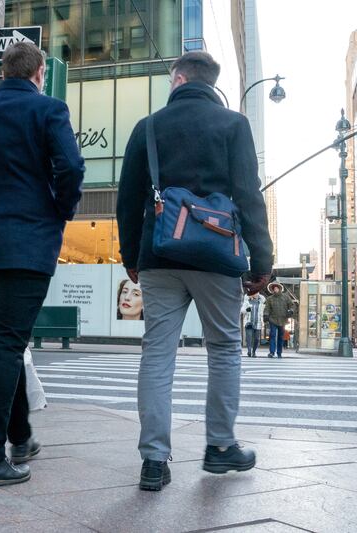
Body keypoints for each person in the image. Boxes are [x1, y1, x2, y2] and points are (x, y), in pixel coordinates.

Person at [116, 51, 273, 491]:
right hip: (218, 257)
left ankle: (153, 461)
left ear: (179, 79)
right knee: (223, 347)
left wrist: (132, 255)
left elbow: (128, 198)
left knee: (158, 352)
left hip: (160, 254)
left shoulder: (147, 127)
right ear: (211, 83)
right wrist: (261, 260)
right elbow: (248, 193)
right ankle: (220, 448)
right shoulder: (234, 125)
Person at [0, 41, 85, 488]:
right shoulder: (50, 110)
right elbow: (71, 167)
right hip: (27, 241)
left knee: (5, 338)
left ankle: (21, 436)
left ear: (2, 71)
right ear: (39, 72)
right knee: (9, 342)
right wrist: (60, 210)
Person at [264, 281, 293, 358]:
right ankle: (272, 352)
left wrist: (291, 310)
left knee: (281, 337)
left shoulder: (286, 297)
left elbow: (291, 305)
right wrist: (266, 315)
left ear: (280, 289)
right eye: (274, 289)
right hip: (273, 319)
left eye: (277, 288)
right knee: (272, 335)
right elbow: (267, 308)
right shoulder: (269, 299)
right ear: (272, 290)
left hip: (283, 319)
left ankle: (279, 352)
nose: (275, 289)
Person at [241, 292, 265, 357]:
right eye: (253, 294)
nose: (255, 295)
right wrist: (246, 310)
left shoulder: (260, 303)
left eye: (256, 294)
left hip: (258, 323)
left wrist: (255, 292)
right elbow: (242, 310)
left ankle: (254, 351)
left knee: (257, 339)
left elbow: (263, 299)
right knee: (249, 338)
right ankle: (249, 351)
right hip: (249, 323)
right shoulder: (247, 302)